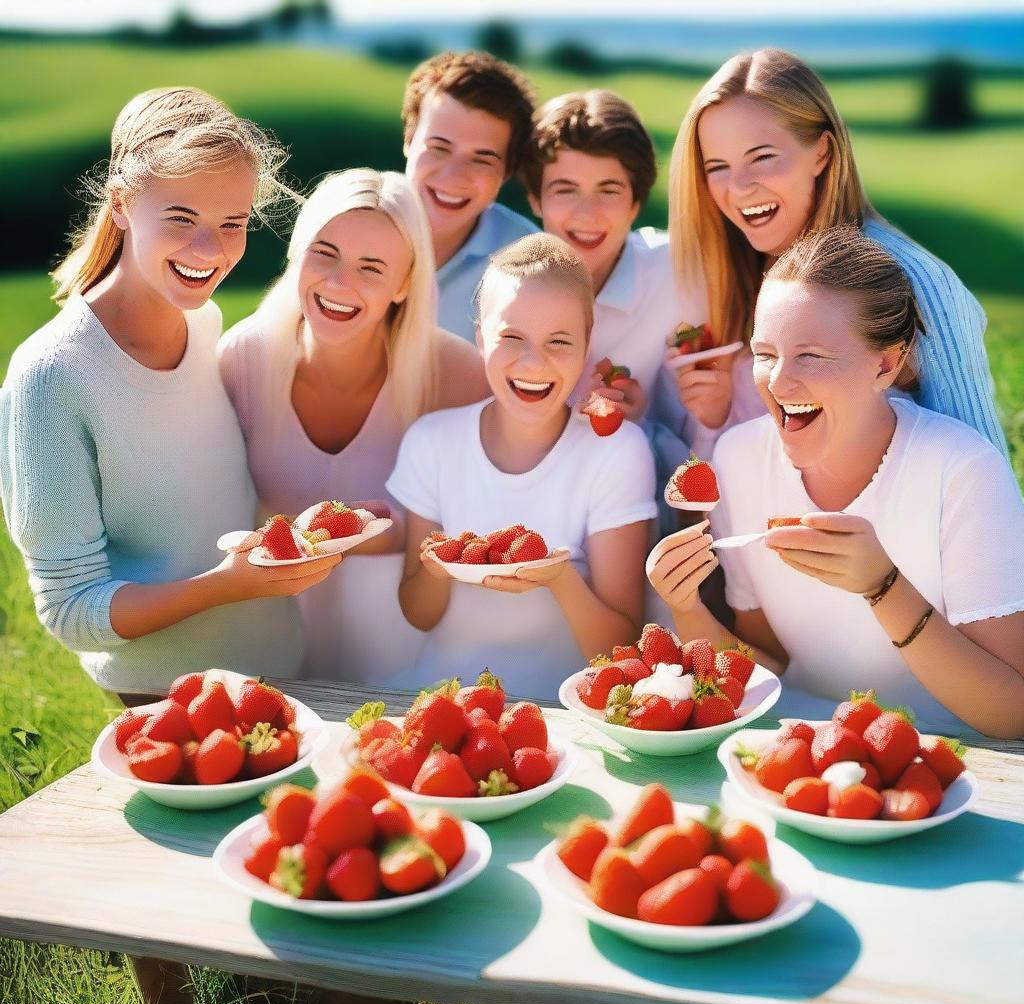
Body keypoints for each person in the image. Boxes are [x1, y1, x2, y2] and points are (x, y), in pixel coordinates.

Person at [0, 87, 340, 1004]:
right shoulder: (52, 377)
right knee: (205, 983)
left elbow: (211, 488)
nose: (209, 248)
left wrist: (298, 531)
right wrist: (226, 585)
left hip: (278, 671)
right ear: (121, 203)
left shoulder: (203, 322)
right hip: (170, 707)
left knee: (305, 956)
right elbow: (68, 606)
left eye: (231, 223)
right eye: (180, 217)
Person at [648, 226, 1024, 739]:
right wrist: (686, 607)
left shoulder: (961, 470)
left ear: (887, 364)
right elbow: (772, 662)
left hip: (942, 756)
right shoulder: (738, 458)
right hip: (794, 747)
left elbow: (1012, 714)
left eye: (811, 356)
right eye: (765, 353)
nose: (778, 383)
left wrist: (882, 587)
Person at [666, 47, 1009, 460]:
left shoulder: (913, 279)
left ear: (822, 153)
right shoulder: (740, 271)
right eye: (717, 166)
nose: (738, 187)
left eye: (763, 157)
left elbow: (982, 463)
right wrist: (715, 417)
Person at [218, 168, 488, 685]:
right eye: (325, 253)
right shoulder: (242, 359)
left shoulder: (458, 375)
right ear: (298, 251)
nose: (340, 283)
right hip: (274, 626)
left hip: (414, 639)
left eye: (372, 267)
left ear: (405, 283)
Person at [388, 233, 657, 697]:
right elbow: (418, 613)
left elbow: (619, 644)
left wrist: (558, 575)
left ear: (587, 347)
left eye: (559, 341)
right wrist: (436, 567)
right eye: (511, 337)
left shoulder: (616, 451)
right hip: (443, 697)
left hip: (565, 708)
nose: (534, 361)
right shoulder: (430, 442)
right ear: (479, 338)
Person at [523, 88, 705, 427]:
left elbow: (695, 422)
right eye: (565, 189)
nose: (587, 214)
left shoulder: (679, 275)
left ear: (636, 203)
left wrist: (637, 419)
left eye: (608, 190)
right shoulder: (508, 288)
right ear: (536, 199)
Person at [402, 50, 538, 341]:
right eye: (439, 147)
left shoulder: (530, 266)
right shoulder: (347, 222)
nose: (453, 177)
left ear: (508, 170)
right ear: (409, 141)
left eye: (482, 159)